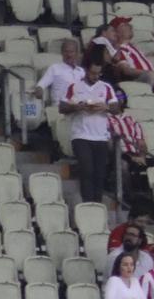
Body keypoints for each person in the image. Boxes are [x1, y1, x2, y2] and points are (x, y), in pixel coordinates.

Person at [61, 59, 119, 204]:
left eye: (99, 74)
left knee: (99, 173)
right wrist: (77, 107)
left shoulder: (106, 87)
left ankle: (97, 203)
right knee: (87, 169)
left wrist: (105, 107)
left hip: (101, 137)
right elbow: (62, 108)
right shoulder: (74, 86)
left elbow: (116, 108)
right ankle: (87, 202)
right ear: (86, 71)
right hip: (80, 135)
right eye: (93, 73)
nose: (96, 76)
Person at [33, 38, 84, 105]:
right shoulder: (54, 68)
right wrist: (39, 90)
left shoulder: (81, 71)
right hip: (60, 109)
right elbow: (41, 85)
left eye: (72, 52)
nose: (69, 55)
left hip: (78, 108)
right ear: (62, 52)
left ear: (77, 53)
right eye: (66, 51)